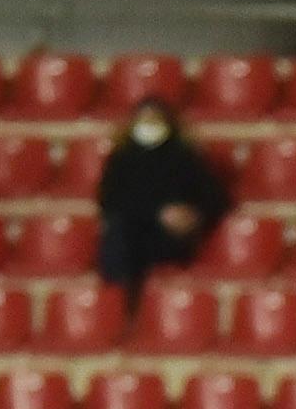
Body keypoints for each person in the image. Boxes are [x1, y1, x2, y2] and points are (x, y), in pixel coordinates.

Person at [94, 95, 229, 299]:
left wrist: (193, 216)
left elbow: (214, 198)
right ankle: (117, 302)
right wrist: (155, 213)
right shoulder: (121, 160)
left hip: (169, 238)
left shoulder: (185, 158)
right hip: (131, 233)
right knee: (119, 237)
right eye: (144, 120)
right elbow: (109, 200)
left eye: (155, 120)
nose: (149, 126)